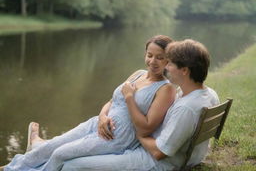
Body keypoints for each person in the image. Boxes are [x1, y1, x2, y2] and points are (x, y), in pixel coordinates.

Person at [3, 35, 176, 171]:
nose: (152, 61)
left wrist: (130, 98)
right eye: (150, 55)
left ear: (168, 61)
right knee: (52, 146)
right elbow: (112, 100)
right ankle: (12, 168)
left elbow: (146, 128)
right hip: (97, 123)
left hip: (117, 137)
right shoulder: (137, 74)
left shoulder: (165, 89)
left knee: (60, 153)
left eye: (159, 58)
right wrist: (102, 117)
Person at [59, 39, 220, 171]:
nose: (167, 67)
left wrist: (138, 132)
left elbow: (158, 152)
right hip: (185, 156)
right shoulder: (207, 93)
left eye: (170, 63)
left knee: (72, 166)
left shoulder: (186, 107)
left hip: (156, 163)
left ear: (184, 71)